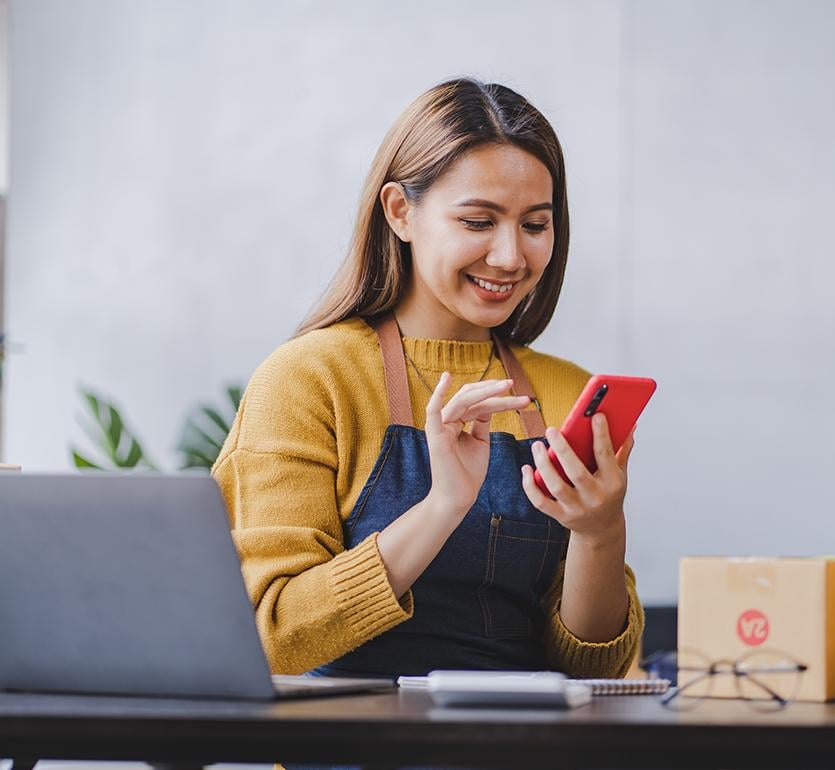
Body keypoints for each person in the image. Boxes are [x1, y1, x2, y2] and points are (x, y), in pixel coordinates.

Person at [211, 78, 644, 684]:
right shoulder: (308, 380)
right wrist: (442, 507)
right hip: (347, 733)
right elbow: (273, 635)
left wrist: (600, 534)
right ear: (400, 211)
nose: (510, 257)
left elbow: (593, 665)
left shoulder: (568, 393)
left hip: (520, 734)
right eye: (478, 221)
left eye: (534, 225)